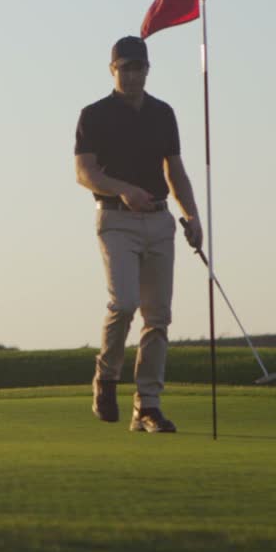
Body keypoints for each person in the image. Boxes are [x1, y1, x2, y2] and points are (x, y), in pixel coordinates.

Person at [73, 35, 202, 433]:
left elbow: (174, 170)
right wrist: (123, 189)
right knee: (124, 303)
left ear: (148, 69)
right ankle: (106, 378)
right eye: (124, 68)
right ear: (113, 70)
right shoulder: (94, 115)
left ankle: (147, 405)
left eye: (138, 67)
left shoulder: (163, 114)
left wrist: (192, 215)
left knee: (158, 316)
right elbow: (85, 173)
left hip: (161, 221)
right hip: (115, 219)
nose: (132, 75)